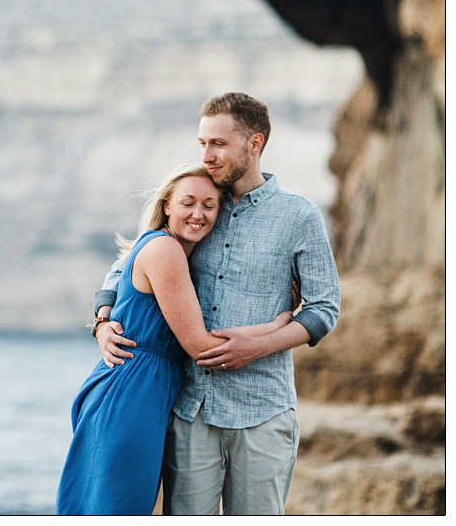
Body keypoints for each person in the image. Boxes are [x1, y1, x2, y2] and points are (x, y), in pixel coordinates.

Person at [92, 93, 340, 514]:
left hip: (263, 409)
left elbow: (324, 309)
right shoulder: (199, 204)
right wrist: (101, 320)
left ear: (254, 144)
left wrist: (259, 345)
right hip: (192, 409)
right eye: (202, 143)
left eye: (218, 144)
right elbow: (130, 262)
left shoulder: (299, 216)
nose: (206, 155)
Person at [55, 165, 292, 514]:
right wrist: (278, 326)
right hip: (130, 393)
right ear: (167, 205)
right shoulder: (165, 249)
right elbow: (199, 346)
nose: (198, 214)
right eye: (188, 203)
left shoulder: (183, 251)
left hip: (149, 393)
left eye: (209, 206)